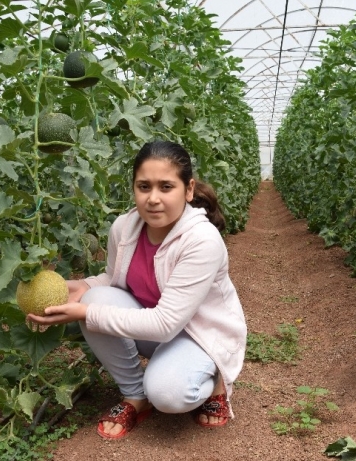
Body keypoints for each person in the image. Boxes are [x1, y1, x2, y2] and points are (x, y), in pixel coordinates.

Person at [28, 140, 247, 438]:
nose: (153, 198)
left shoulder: (202, 241)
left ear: (189, 189)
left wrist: (84, 312)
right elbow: (114, 279)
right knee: (95, 298)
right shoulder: (124, 227)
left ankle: (214, 382)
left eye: (166, 187)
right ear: (133, 188)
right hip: (156, 327)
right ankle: (135, 396)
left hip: (199, 335)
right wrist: (80, 287)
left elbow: (165, 324)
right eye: (144, 187)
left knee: (169, 394)